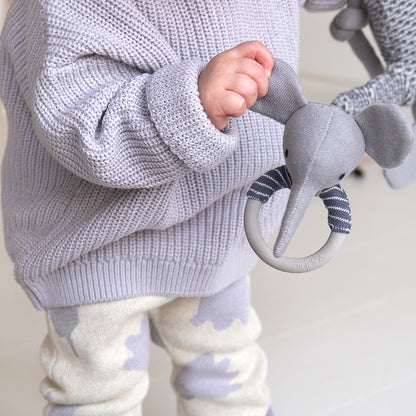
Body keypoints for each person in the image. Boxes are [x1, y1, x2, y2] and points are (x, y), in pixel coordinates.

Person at [0, 0, 303, 414]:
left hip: (218, 229)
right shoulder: (62, 10)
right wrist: (192, 103)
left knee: (229, 377)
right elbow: (87, 133)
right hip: (98, 244)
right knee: (98, 389)